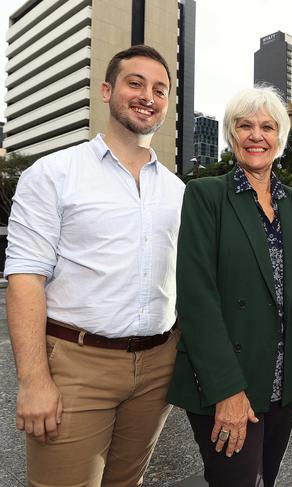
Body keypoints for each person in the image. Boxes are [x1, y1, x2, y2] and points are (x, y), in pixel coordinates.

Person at [5, 45, 184, 486]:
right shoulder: (53, 174)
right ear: (107, 90)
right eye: (135, 83)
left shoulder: (179, 192)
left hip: (158, 364)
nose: (147, 96)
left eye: (159, 89)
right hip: (76, 365)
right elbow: (25, 277)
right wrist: (33, 381)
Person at [166, 86, 292, 487]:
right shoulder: (206, 195)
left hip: (281, 384)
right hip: (228, 382)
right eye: (245, 126)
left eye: (267, 126)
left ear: (280, 138)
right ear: (231, 135)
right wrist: (227, 390)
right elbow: (196, 299)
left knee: (266, 479)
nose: (256, 135)